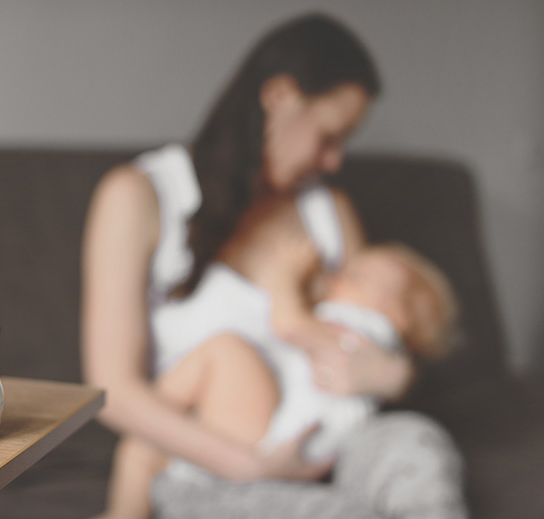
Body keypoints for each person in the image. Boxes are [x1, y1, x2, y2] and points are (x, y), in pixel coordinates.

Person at [81, 12, 467, 519]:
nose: (334, 162)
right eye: (330, 136)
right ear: (280, 97)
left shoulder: (329, 212)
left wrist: (392, 376)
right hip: (215, 459)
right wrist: (248, 465)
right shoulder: (140, 197)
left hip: (330, 445)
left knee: (417, 443)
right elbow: (115, 390)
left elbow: (378, 322)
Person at [101, 243, 458, 519]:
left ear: (398, 315)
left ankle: (153, 433)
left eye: (357, 277)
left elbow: (287, 324)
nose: (339, 277)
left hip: (276, 435)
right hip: (279, 441)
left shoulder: (360, 328)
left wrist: (281, 276)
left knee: (224, 351)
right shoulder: (351, 327)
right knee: (141, 447)